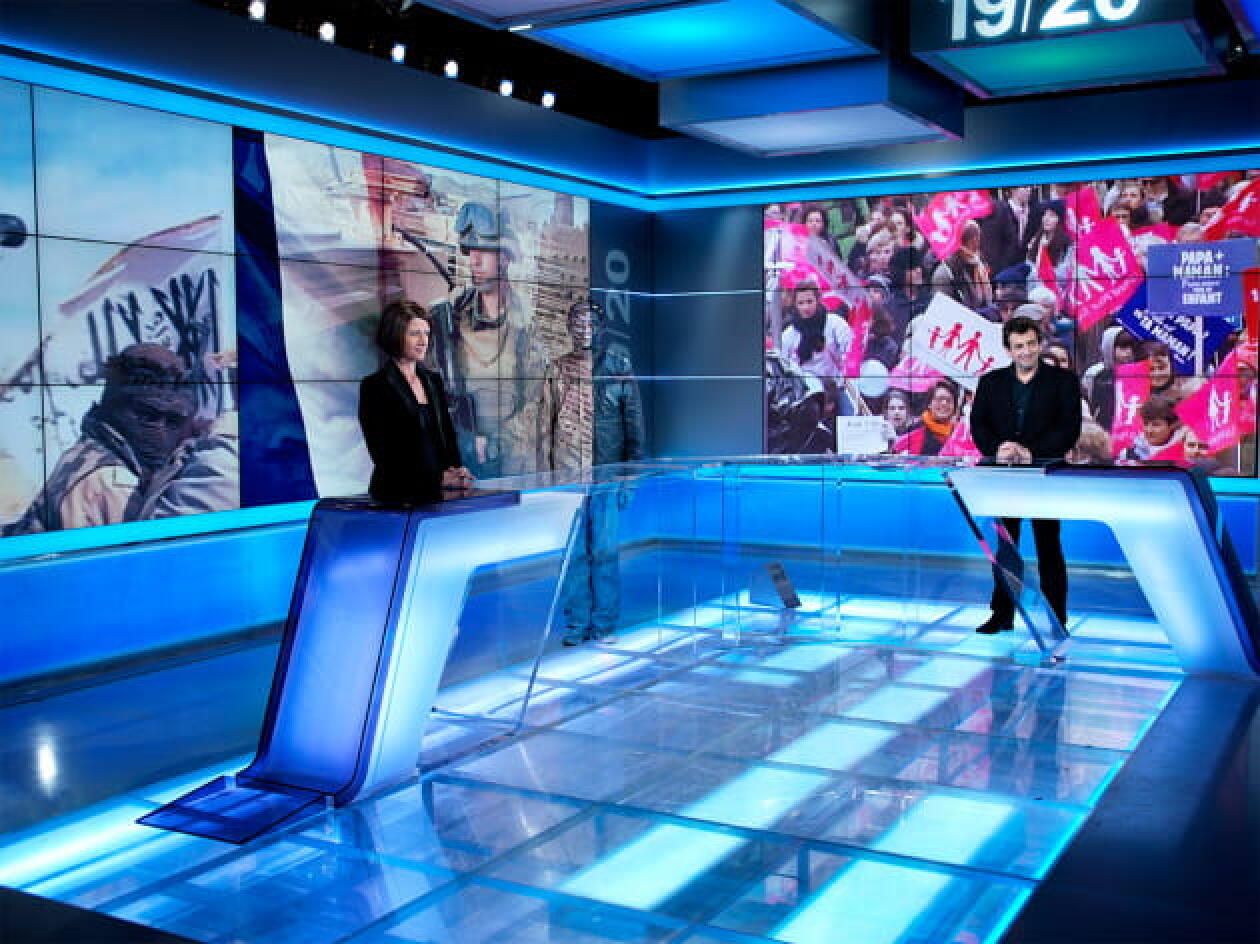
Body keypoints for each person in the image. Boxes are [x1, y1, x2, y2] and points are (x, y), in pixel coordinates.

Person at [4, 343, 233, 534]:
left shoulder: (89, 450)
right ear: (113, 407)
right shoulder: (114, 483)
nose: (160, 432)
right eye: (147, 416)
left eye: (172, 421)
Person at [540, 299, 646, 645]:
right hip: (568, 478)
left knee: (604, 552)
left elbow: (634, 425)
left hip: (605, 477)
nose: (583, 330)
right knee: (574, 555)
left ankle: (604, 624)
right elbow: (544, 428)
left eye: (590, 323)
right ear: (568, 327)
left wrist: (630, 477)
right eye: (577, 323)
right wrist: (546, 481)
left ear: (601, 328)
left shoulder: (618, 368)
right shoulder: (556, 370)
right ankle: (576, 623)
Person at [970, 315, 1083, 634]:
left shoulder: (1063, 382)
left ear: (1040, 344)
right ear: (1008, 350)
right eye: (1019, 346)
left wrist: (1032, 451)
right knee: (1006, 548)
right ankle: (1002, 615)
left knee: (1049, 547)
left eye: (1032, 344)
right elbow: (979, 426)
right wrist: (998, 448)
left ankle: (1057, 619)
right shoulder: (990, 382)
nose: (1026, 351)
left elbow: (1069, 429)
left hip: (1045, 477)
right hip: (1003, 477)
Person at [427, 201, 543, 478]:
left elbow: (536, 401)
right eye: (471, 251)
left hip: (508, 459)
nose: (474, 261)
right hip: (458, 454)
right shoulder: (450, 315)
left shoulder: (526, 323)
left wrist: (497, 443)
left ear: (505, 258)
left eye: (484, 252)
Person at [358, 300, 472, 504]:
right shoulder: (375, 387)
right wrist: (437, 479)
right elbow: (385, 457)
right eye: (414, 334)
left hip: (440, 495)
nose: (423, 341)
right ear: (395, 335)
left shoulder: (433, 381)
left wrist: (457, 472)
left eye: (426, 333)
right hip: (397, 496)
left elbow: (448, 436)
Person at [893, 379, 959, 456]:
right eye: (939, 399)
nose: (944, 403)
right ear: (929, 404)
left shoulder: (960, 432)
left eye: (949, 400)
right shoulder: (914, 431)